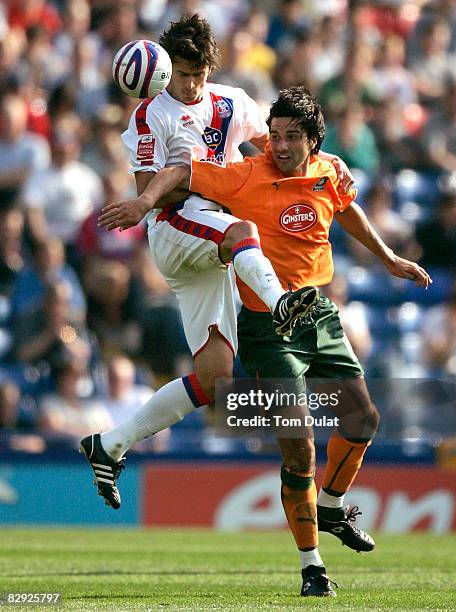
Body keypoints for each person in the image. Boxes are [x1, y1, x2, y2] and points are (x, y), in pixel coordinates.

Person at [93, 86, 432, 597]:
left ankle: (334, 505)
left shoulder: (330, 171)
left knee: (364, 420)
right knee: (299, 454)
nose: (279, 145)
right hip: (265, 328)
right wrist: (144, 199)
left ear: (314, 140)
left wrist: (388, 260)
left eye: (292, 137)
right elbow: (181, 173)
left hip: (316, 314)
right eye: (273, 135)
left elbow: (348, 209)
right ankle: (312, 566)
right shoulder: (248, 173)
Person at [80, 14, 352, 512]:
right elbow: (150, 195)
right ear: (165, 68)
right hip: (177, 229)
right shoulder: (148, 116)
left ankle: (109, 445)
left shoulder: (232, 102)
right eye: (183, 73)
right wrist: (209, 183)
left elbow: (278, 150)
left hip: (211, 244)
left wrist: (322, 162)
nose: (191, 84)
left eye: (199, 73)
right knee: (242, 232)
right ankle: (283, 305)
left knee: (215, 378)